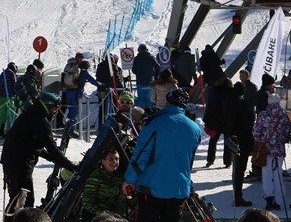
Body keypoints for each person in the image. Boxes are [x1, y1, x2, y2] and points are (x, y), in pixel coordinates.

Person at [124, 88, 202, 222]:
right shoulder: (195, 129)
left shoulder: (155, 123)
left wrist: (129, 179)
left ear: (168, 102)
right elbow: (189, 161)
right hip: (179, 188)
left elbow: (141, 155)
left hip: (152, 186)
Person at [1, 91, 77, 214]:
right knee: (25, 200)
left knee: (17, 198)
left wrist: (52, 158)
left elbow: (32, 144)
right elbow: (52, 149)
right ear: (47, 105)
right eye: (54, 108)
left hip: (10, 160)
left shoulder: (30, 115)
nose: (56, 112)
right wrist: (72, 167)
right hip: (20, 163)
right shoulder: (41, 121)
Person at [252, 94, 291, 211]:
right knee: (278, 175)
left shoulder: (263, 115)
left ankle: (269, 199)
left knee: (266, 174)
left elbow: (256, 132)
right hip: (279, 150)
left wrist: (260, 141)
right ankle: (279, 201)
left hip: (265, 150)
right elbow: (288, 133)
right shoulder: (284, 115)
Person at [80, 148, 129, 221]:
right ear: (103, 161)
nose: (115, 162)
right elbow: (87, 201)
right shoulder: (95, 177)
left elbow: (122, 202)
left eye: (117, 159)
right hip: (94, 213)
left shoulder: (120, 179)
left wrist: (114, 216)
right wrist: (103, 215)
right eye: (111, 159)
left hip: (112, 215)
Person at [0, 63, 18, 138]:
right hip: (9, 96)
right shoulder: (12, 74)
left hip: (1, 96)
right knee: (11, 113)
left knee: (3, 114)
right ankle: (9, 131)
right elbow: (14, 86)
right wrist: (16, 94)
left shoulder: (2, 74)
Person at [131, 45, 157, 109]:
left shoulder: (136, 58)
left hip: (140, 82)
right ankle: (148, 113)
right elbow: (157, 67)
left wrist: (139, 73)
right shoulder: (151, 57)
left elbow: (133, 70)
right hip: (149, 82)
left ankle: (138, 113)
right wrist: (152, 73)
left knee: (140, 99)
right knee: (148, 99)